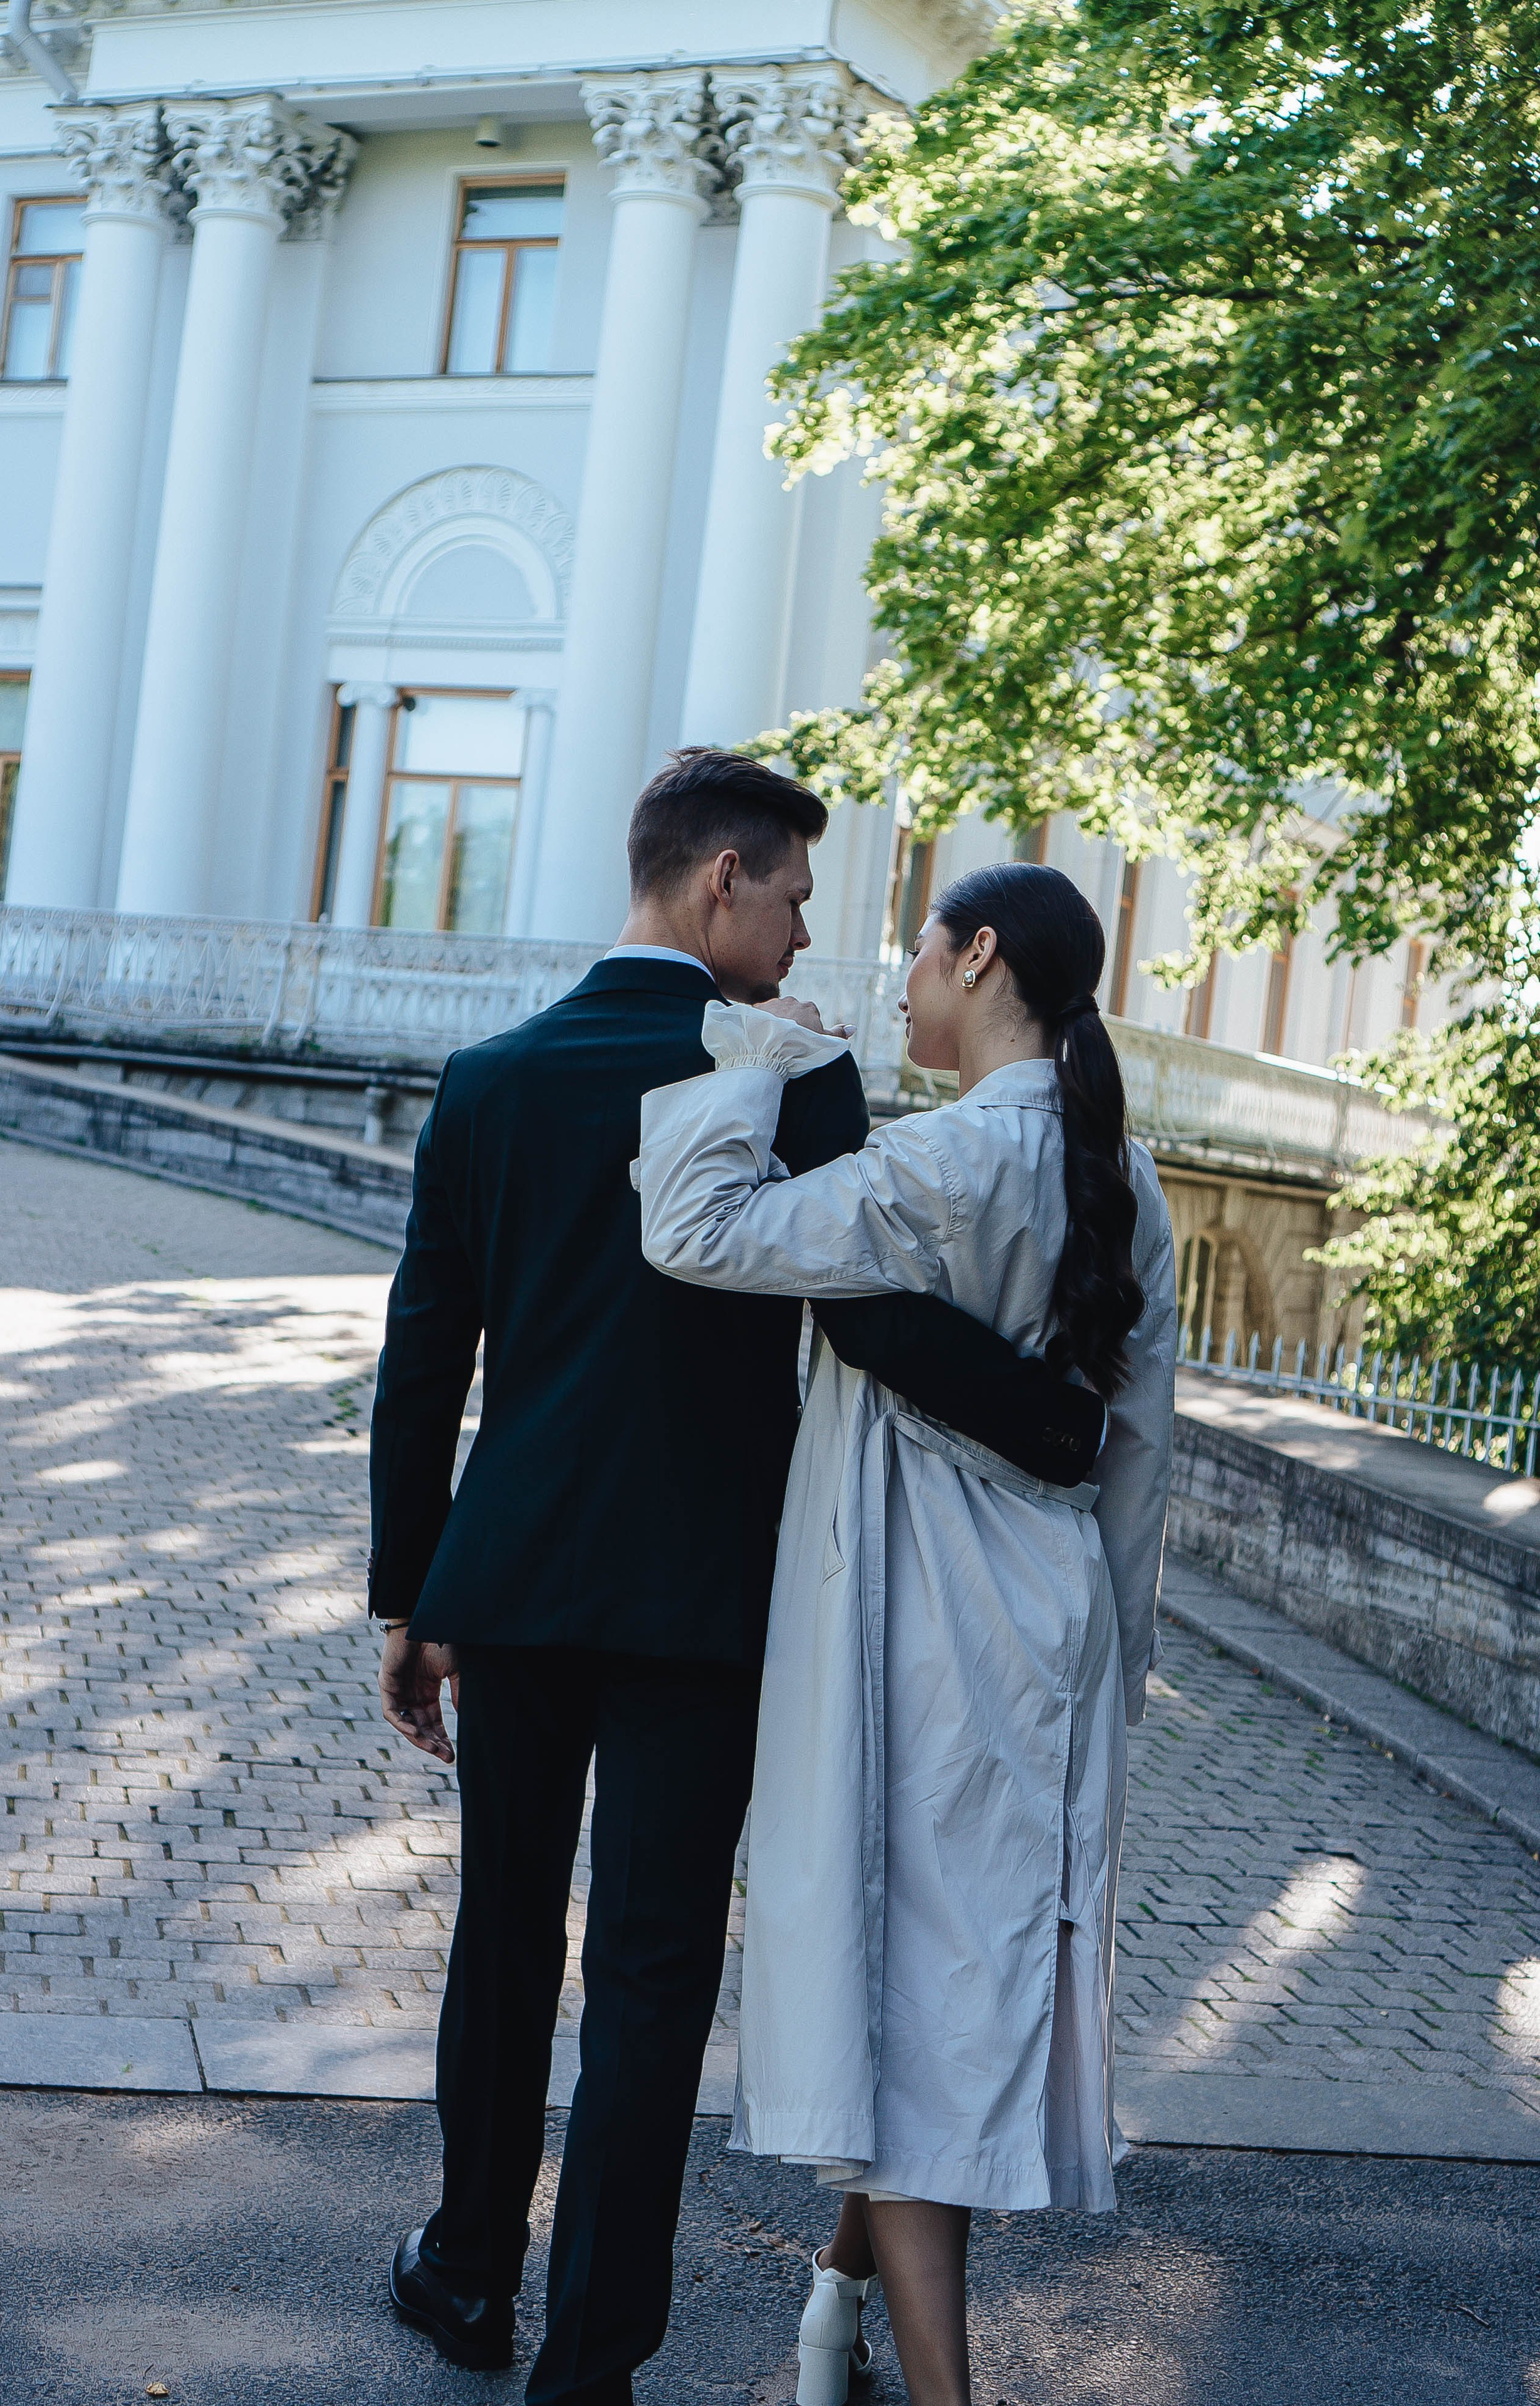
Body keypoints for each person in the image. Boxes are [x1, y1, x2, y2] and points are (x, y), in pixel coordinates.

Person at [365, 752, 1107, 2406]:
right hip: (712, 1601)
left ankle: (467, 2275)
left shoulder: (490, 1080)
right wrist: (1057, 1420)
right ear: (717, 880)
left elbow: (424, 1365)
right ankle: (593, 2365)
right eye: (787, 895)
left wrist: (409, 1598)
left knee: (502, 1937)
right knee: (649, 1978)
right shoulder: (793, 1077)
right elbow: (862, 1312)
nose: (800, 931)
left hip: (519, 1579)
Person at [637, 860, 1177, 2406]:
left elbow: (693, 1224)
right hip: (1049, 1617)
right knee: (950, 1974)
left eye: (922, 950)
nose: (902, 976)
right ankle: (829, 2316)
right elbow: (1139, 1444)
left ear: (980, 953)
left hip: (918, 1613)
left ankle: (942, 2395)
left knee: (920, 2008)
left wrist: (757, 1056)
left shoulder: (938, 1167)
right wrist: (1112, 1664)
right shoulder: (1115, 1176)